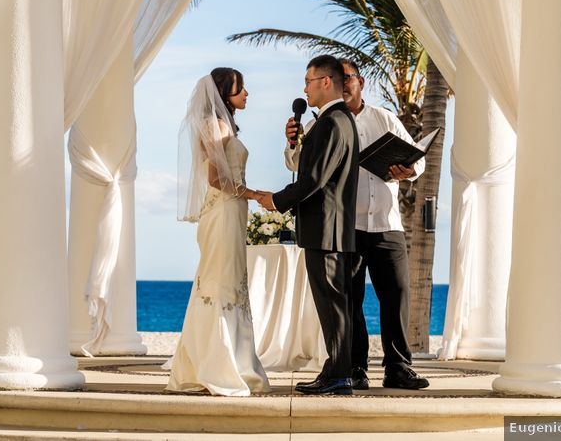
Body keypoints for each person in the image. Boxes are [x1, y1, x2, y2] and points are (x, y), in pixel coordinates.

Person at [284, 59, 429, 390]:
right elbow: (299, 166)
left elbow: (416, 158)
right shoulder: (324, 122)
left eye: (349, 77)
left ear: (360, 81)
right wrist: (293, 142)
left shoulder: (384, 118)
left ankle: (398, 367)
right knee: (350, 301)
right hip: (348, 225)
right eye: (341, 78)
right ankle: (355, 367)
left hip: (386, 223)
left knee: (396, 295)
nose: (345, 83)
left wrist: (408, 171)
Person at [257, 55, 359, 396]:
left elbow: (315, 179)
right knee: (333, 304)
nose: (305, 89)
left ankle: (339, 375)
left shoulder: (333, 122)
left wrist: (278, 199)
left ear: (325, 82)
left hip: (326, 228)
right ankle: (336, 370)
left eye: (308, 81)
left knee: (332, 304)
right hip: (329, 227)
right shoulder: (334, 120)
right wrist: (295, 144)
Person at [167, 68, 271, 396]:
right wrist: (252, 193)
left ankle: (230, 363)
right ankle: (218, 367)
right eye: (242, 88)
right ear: (226, 91)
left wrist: (246, 195)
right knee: (220, 283)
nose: (248, 93)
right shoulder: (214, 125)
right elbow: (215, 179)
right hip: (224, 209)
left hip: (233, 209)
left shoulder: (225, 125)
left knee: (230, 283)